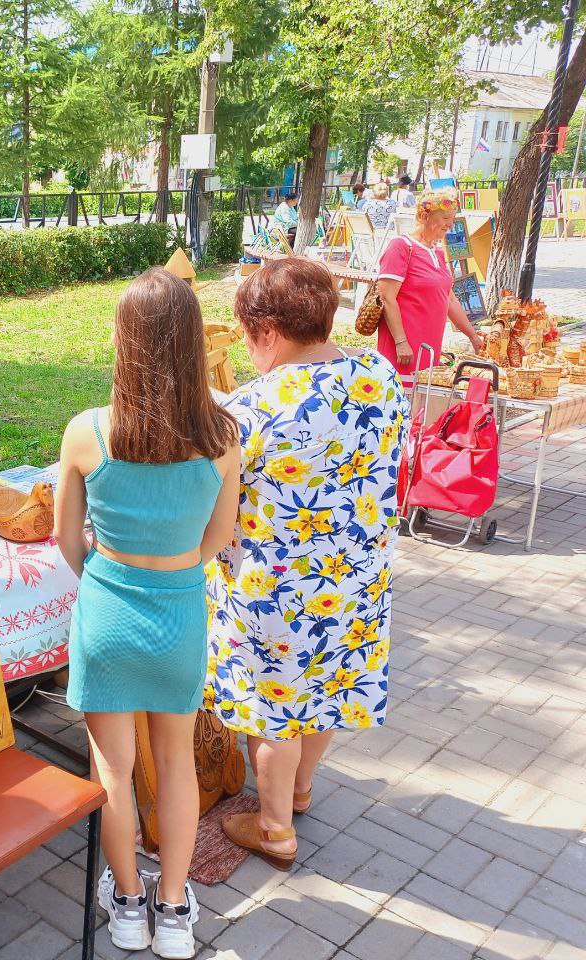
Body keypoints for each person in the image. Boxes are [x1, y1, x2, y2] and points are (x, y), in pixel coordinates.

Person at [55, 268, 240, 958]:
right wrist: (174, 567)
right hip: (179, 614)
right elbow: (218, 539)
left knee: (112, 770)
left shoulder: (87, 432)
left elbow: (66, 540)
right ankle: (174, 911)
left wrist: (108, 577)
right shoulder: (223, 436)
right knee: (176, 763)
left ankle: (128, 905)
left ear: (122, 341)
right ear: (193, 343)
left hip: (107, 611)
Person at [207, 258, 408, 871]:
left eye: (249, 335)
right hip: (355, 578)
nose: (248, 349)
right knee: (324, 688)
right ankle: (297, 791)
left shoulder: (251, 408)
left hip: (277, 592)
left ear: (268, 332)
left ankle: (274, 830)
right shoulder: (378, 375)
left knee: (273, 714)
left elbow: (220, 502)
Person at [376, 187, 484, 380]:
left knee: (424, 393)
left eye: (452, 218)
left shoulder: (437, 252)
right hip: (404, 345)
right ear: (424, 216)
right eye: (445, 218)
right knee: (402, 392)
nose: (450, 224)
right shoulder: (401, 246)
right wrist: (401, 342)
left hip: (429, 343)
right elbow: (387, 297)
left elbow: (450, 300)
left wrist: (473, 337)